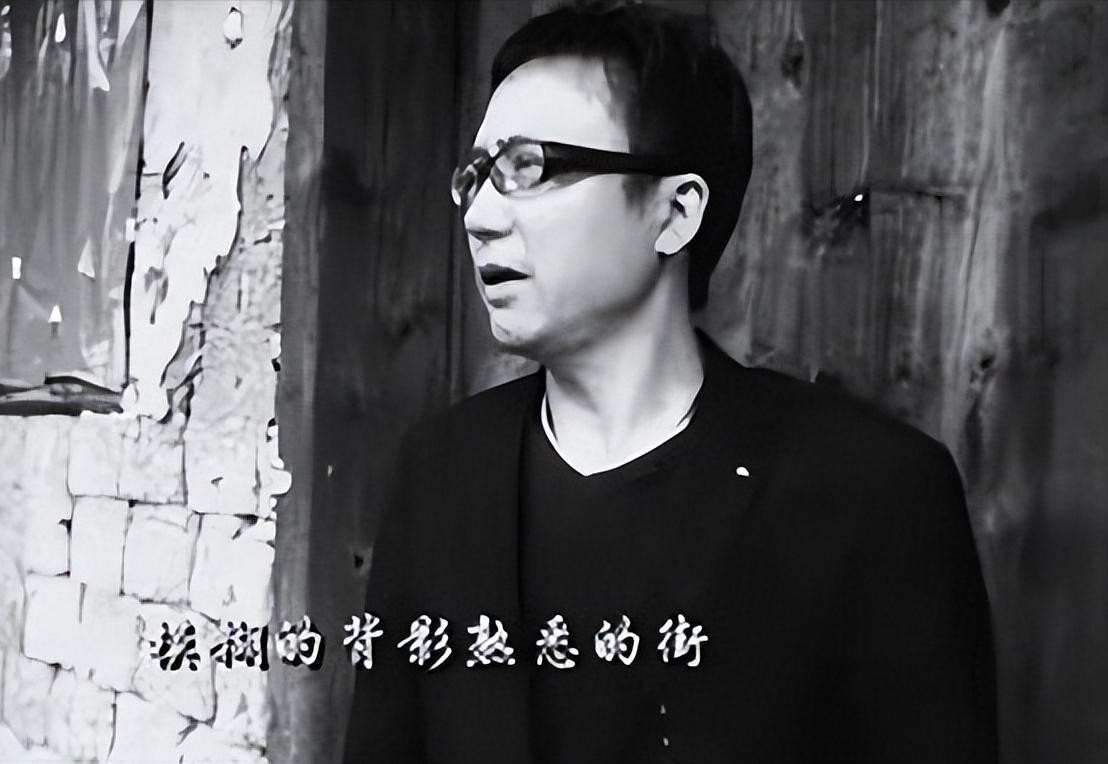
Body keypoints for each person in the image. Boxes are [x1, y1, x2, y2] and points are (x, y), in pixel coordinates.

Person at [343, 3, 997, 763]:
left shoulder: (871, 492)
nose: (480, 215)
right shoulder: (441, 473)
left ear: (676, 212)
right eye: (477, 175)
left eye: (529, 167)